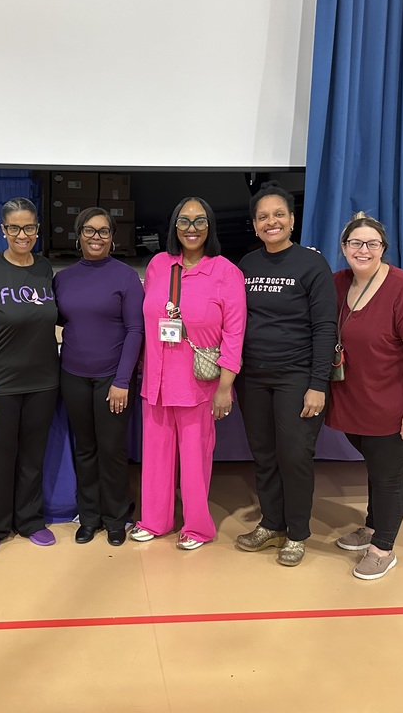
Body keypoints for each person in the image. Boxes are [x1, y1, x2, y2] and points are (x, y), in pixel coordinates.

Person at [325, 212, 403, 580]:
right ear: (343, 247)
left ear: (384, 249)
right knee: (376, 463)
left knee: (387, 473)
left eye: (372, 244)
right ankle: (372, 525)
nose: (363, 250)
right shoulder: (338, 283)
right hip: (364, 393)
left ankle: (383, 547)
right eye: (355, 243)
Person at [130, 197, 246, 550]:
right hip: (157, 380)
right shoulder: (158, 265)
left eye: (199, 221)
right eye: (184, 221)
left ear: (209, 226)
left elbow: (235, 332)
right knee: (155, 455)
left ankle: (198, 527)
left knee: (195, 459)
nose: (191, 229)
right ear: (174, 227)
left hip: (199, 383)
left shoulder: (225, 271)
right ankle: (155, 520)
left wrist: (225, 386)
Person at [235, 182, 337, 567]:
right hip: (254, 377)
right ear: (255, 225)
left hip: (297, 377)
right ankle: (271, 522)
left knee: (293, 455)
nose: (271, 221)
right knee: (263, 455)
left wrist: (317, 385)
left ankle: (296, 533)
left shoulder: (312, 265)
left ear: (292, 220)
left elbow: (326, 327)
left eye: (279, 214)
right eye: (263, 217)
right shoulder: (247, 265)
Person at [0, 197, 60, 556]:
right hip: (0, 386)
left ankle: (31, 520)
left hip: (43, 383)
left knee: (33, 457)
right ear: (3, 231)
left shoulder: (45, 268)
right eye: (15, 228)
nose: (23, 235)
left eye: (30, 227)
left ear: (38, 228)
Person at [54, 208, 145, 547]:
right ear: (78, 235)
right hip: (73, 375)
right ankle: (89, 516)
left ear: (112, 237)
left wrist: (122, 381)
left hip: (113, 379)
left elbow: (136, 329)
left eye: (104, 231)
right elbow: (64, 321)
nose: (96, 237)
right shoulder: (63, 278)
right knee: (85, 449)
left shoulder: (125, 277)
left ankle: (116, 517)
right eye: (89, 231)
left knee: (111, 450)